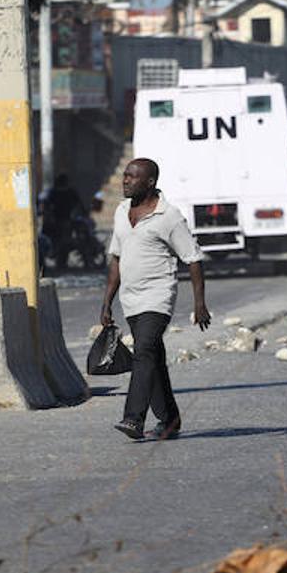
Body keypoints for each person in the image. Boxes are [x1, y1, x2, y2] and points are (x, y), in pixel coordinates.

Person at [101, 158, 211, 441]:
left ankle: (133, 418)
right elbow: (116, 258)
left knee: (144, 352)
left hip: (158, 296)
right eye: (125, 175)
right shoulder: (122, 211)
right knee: (153, 359)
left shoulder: (168, 216)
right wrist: (107, 302)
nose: (125, 181)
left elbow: (193, 259)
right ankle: (170, 420)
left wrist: (199, 304)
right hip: (130, 299)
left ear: (150, 182)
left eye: (131, 177)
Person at [42, 174, 85, 270]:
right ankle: (60, 261)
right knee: (63, 241)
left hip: (61, 221)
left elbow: (47, 206)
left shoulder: (55, 192)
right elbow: (79, 205)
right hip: (63, 221)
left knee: (61, 241)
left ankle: (60, 261)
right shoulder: (65, 192)